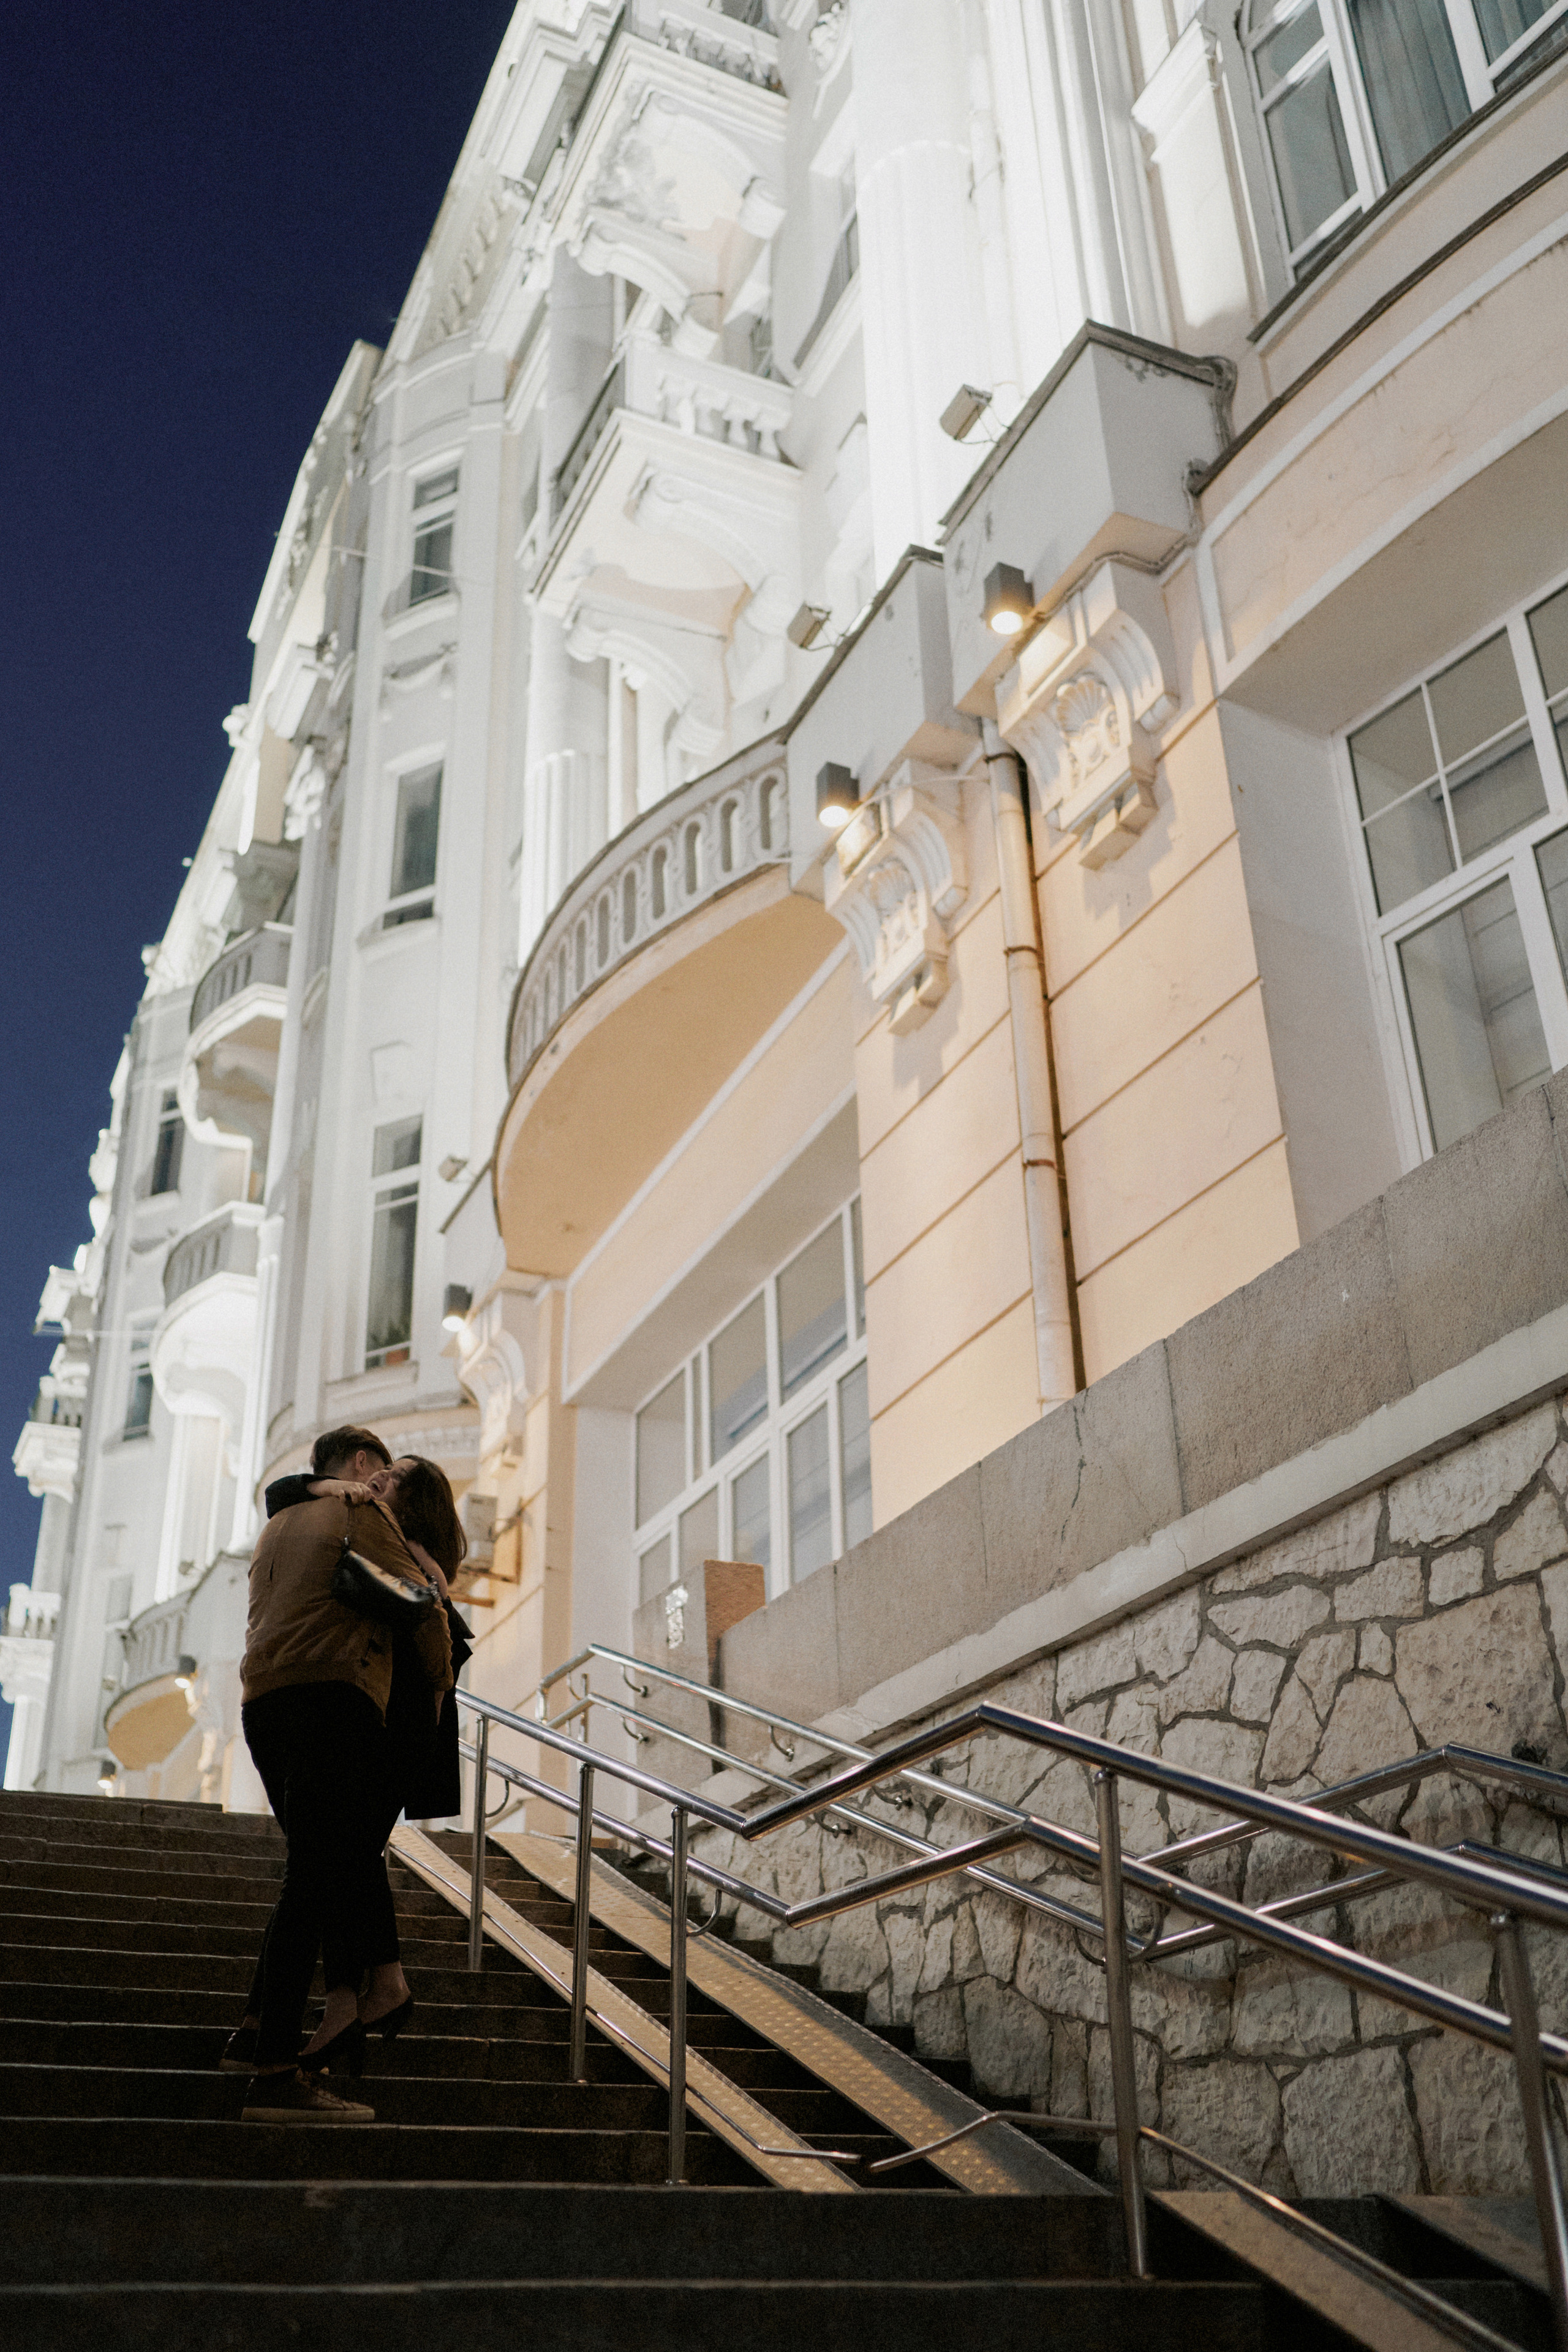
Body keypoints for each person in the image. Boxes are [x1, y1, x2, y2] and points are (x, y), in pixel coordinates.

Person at [230, 1425, 451, 2125]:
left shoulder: (280, 1522)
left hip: (262, 1702)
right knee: (315, 1878)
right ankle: (276, 2073)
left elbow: (281, 1495)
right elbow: (426, 1616)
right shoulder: (362, 1512)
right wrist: (440, 1685)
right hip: (332, 1698)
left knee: (316, 1867)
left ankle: (265, 2031)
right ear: (360, 1465)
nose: (379, 1482)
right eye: (379, 1469)